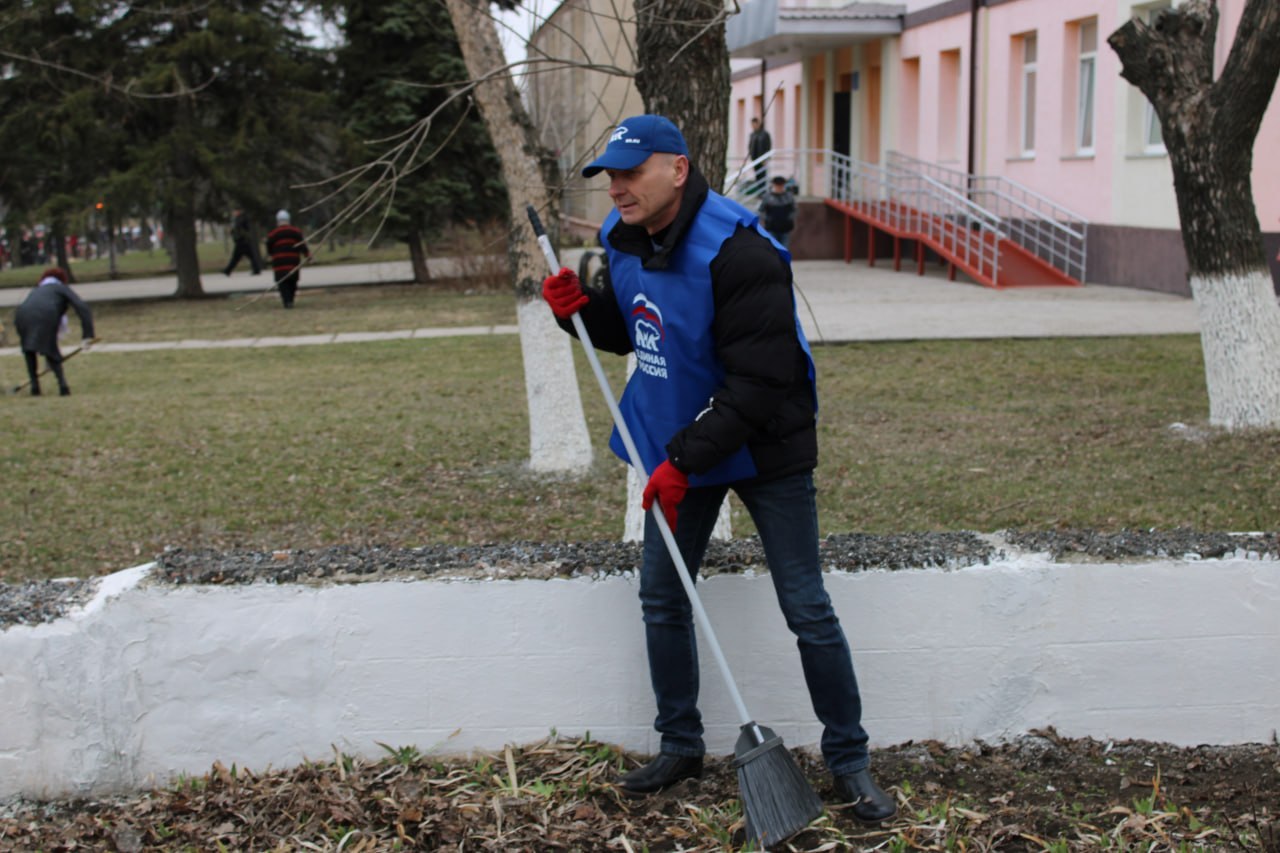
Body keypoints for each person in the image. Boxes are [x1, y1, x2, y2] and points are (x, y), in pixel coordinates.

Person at [540, 114, 895, 823]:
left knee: (808, 608)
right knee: (663, 597)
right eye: (609, 175)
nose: (616, 187)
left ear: (677, 168)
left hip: (765, 446)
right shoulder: (625, 237)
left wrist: (680, 461)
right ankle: (680, 743)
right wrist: (580, 312)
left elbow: (760, 384)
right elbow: (639, 328)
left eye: (630, 172)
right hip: (683, 436)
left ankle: (850, 759)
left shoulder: (742, 252)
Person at [14, 267, 94, 396]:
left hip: (21, 316)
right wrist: (87, 335)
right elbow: (82, 307)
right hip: (45, 315)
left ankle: (35, 388)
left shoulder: (37, 290)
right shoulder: (60, 288)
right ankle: (63, 386)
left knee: (29, 350)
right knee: (50, 349)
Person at [264, 210, 310, 309]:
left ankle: (286, 301)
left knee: (282, 284)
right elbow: (303, 246)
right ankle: (291, 300)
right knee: (292, 282)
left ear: (278, 221)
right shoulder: (296, 232)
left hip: (279, 263)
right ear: (289, 220)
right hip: (293, 262)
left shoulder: (273, 234)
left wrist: (271, 255)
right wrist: (308, 256)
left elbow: (269, 247)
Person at [758, 175, 798, 248]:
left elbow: (794, 209)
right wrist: (767, 219)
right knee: (773, 248)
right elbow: (761, 210)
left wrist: (789, 219)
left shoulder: (788, 196)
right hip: (771, 227)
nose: (779, 187)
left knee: (784, 248)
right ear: (773, 185)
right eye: (777, 185)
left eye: (781, 185)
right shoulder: (767, 196)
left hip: (785, 227)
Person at [223, 208, 263, 276]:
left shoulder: (240, 219)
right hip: (244, 241)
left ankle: (227, 270)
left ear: (238, 211)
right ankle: (256, 269)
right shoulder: (242, 218)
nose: (234, 213)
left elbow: (238, 229)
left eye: (235, 211)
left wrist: (232, 231)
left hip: (242, 241)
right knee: (250, 256)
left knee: (236, 257)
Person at [748, 116, 772, 190]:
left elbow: (768, 146)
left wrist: (766, 158)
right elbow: (750, 146)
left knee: (762, 175)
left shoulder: (765, 134)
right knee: (757, 175)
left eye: (755, 124)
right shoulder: (752, 134)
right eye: (752, 124)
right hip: (754, 159)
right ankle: (759, 190)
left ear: (758, 124)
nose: (754, 126)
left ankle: (763, 191)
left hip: (762, 158)